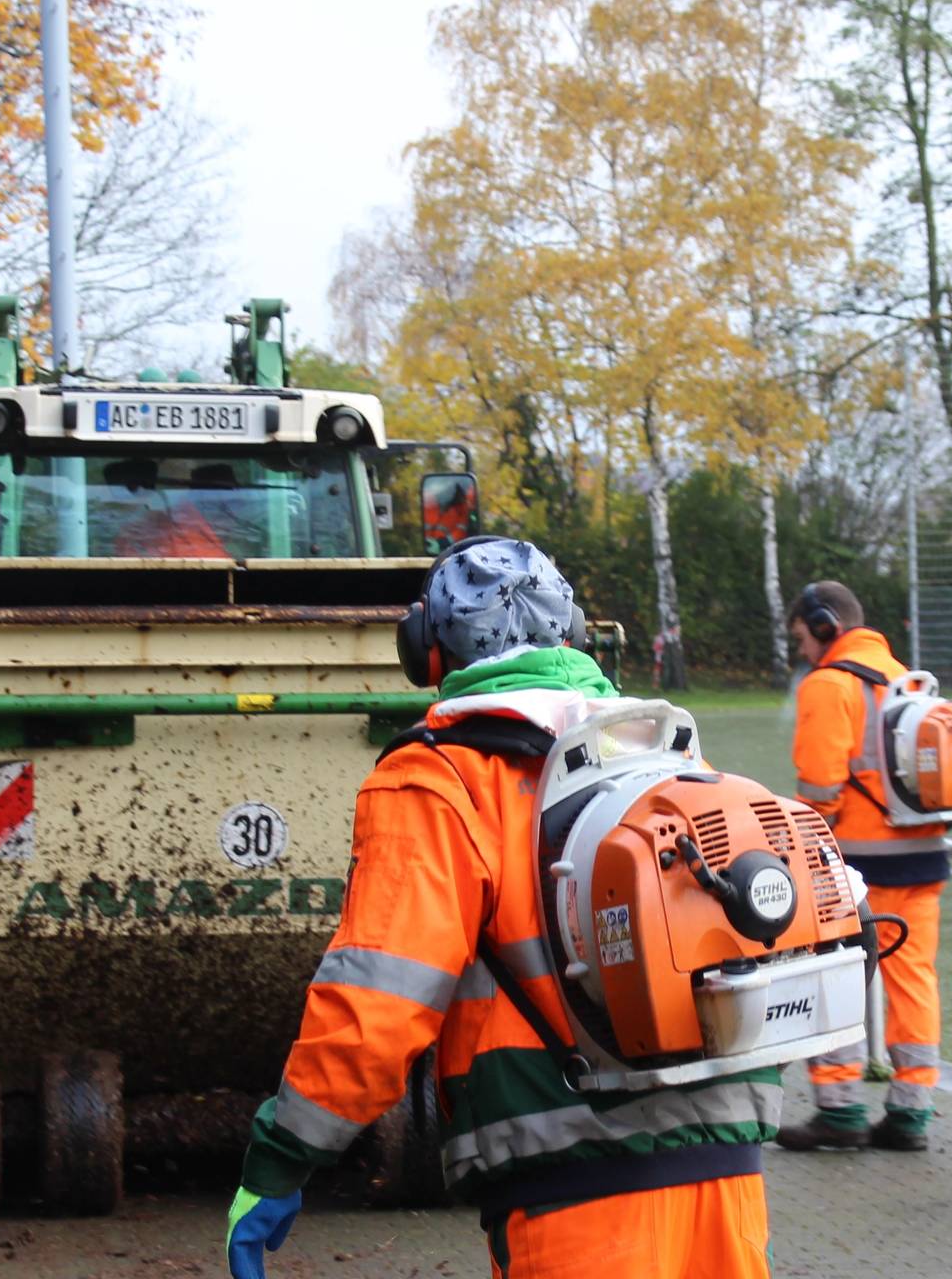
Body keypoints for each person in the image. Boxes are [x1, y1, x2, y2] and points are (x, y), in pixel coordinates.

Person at [227, 538, 776, 1279]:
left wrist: (283, 1153)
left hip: (571, 1188)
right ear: (572, 634)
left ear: (427, 651)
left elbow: (378, 1003)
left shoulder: (438, 779)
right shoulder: (671, 754)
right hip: (728, 1172)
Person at [771, 581, 946, 1153]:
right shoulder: (907, 678)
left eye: (802, 637)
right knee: (914, 980)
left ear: (826, 626)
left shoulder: (829, 684)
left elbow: (820, 786)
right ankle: (911, 1113)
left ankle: (840, 1109)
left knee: (833, 978)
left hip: (853, 866)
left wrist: (795, 843)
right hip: (921, 858)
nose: (802, 649)